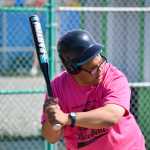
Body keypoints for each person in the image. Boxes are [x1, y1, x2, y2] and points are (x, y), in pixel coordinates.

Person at [41, 30, 146, 150]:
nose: (101, 70)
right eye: (93, 69)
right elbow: (51, 137)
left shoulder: (114, 77)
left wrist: (68, 118)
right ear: (72, 70)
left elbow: (112, 115)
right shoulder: (57, 87)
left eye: (101, 63)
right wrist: (52, 120)